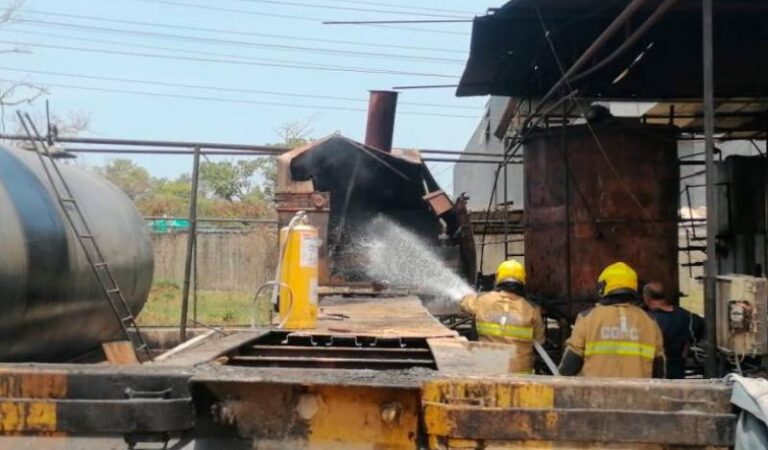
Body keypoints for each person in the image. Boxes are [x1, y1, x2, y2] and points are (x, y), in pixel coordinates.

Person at [559, 262, 666, 378]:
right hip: (637, 395)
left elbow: (569, 367)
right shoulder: (650, 322)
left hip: (596, 395)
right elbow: (658, 370)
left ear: (603, 288)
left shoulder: (587, 318)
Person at [460, 259, 545, 374]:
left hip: (488, 373)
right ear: (522, 281)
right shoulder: (532, 309)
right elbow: (540, 341)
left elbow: (464, 303)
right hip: (522, 377)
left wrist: (469, 296)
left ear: (498, 279)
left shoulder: (483, 300)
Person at [643, 281, 705, 379]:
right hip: (678, 372)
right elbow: (703, 328)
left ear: (647, 298)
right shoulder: (687, 317)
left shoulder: (647, 320)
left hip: (657, 373)